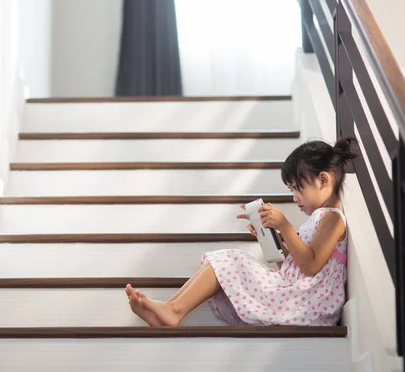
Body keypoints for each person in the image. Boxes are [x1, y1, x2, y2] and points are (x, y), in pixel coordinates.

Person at [125, 137, 358, 327]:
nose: (294, 197)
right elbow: (296, 267)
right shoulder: (320, 219)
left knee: (231, 259)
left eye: (298, 188)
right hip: (299, 294)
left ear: (323, 180)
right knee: (229, 260)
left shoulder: (332, 218)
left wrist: (285, 226)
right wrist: (274, 239)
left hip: (309, 304)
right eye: (291, 190)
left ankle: (173, 310)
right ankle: (170, 307)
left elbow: (311, 266)